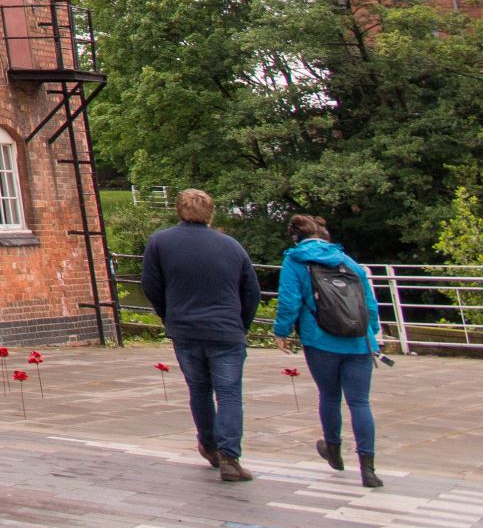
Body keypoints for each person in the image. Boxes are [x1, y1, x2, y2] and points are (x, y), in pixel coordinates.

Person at [140, 188, 265, 481]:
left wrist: (168, 315)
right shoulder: (232, 246)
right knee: (229, 393)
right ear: (211, 212)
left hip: (185, 329)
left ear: (179, 210)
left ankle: (209, 446)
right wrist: (241, 325)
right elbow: (252, 292)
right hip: (226, 331)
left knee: (199, 390)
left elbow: (150, 284)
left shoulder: (160, 242)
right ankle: (230, 457)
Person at [272, 213, 385, 488]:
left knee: (330, 396)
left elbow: (290, 300)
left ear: (295, 237)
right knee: (360, 403)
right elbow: (369, 304)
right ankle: (368, 468)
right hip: (359, 341)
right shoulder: (348, 261)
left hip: (320, 339)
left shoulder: (295, 260)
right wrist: (372, 334)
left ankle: (333, 450)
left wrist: (281, 331)